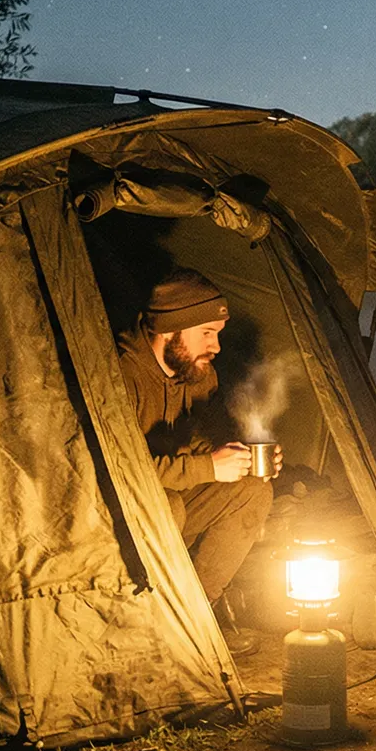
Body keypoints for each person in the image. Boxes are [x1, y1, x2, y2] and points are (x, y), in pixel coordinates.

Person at [116, 268, 276, 654]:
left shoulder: (198, 373)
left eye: (218, 334)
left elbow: (210, 440)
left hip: (174, 508)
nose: (216, 346)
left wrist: (241, 456)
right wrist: (208, 468)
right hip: (117, 523)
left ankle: (198, 616)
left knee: (253, 489)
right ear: (171, 330)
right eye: (207, 333)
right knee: (167, 506)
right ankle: (151, 628)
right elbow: (121, 473)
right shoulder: (120, 375)